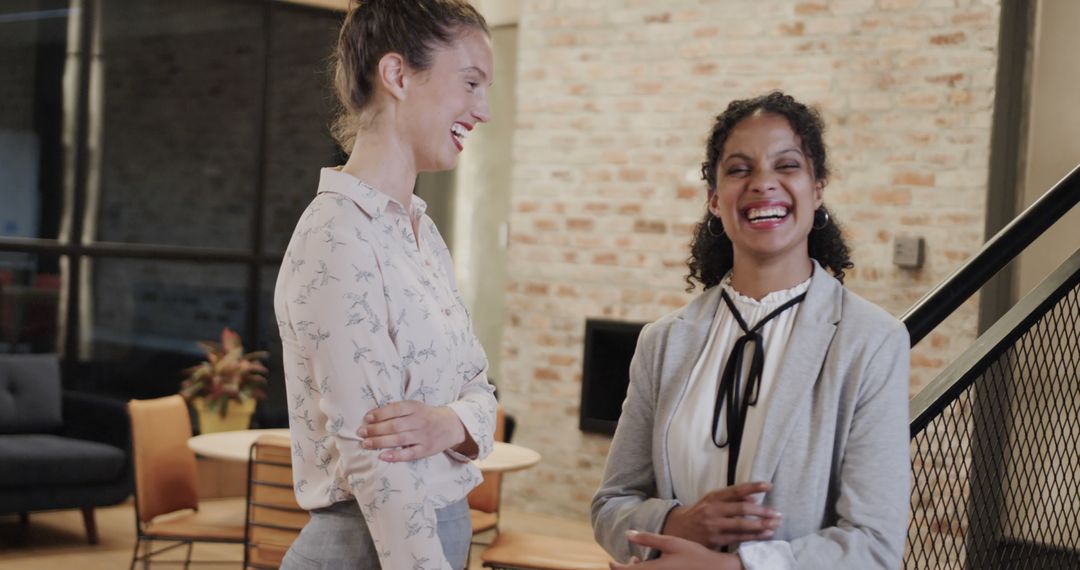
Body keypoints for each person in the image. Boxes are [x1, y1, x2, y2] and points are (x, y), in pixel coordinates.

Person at [591, 91, 910, 569]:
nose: (763, 184)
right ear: (715, 200)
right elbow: (610, 506)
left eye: (787, 166)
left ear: (817, 188)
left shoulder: (870, 341)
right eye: (740, 169)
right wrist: (676, 523)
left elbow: (874, 546)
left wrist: (735, 567)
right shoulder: (664, 342)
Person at [273, 1, 497, 568]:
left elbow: (482, 392)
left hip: (441, 530)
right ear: (397, 75)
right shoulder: (336, 235)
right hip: (368, 547)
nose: (484, 109)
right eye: (470, 82)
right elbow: (376, 460)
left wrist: (450, 421)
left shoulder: (422, 232)